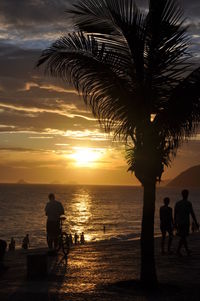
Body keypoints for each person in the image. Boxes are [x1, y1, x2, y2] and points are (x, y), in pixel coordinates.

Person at [174, 189, 199, 256]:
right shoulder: (188, 203)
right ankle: (179, 251)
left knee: (183, 236)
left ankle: (186, 250)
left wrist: (175, 223)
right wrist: (196, 223)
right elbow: (192, 214)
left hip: (180, 222)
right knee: (183, 236)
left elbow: (175, 214)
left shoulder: (178, 203)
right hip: (185, 222)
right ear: (187, 195)